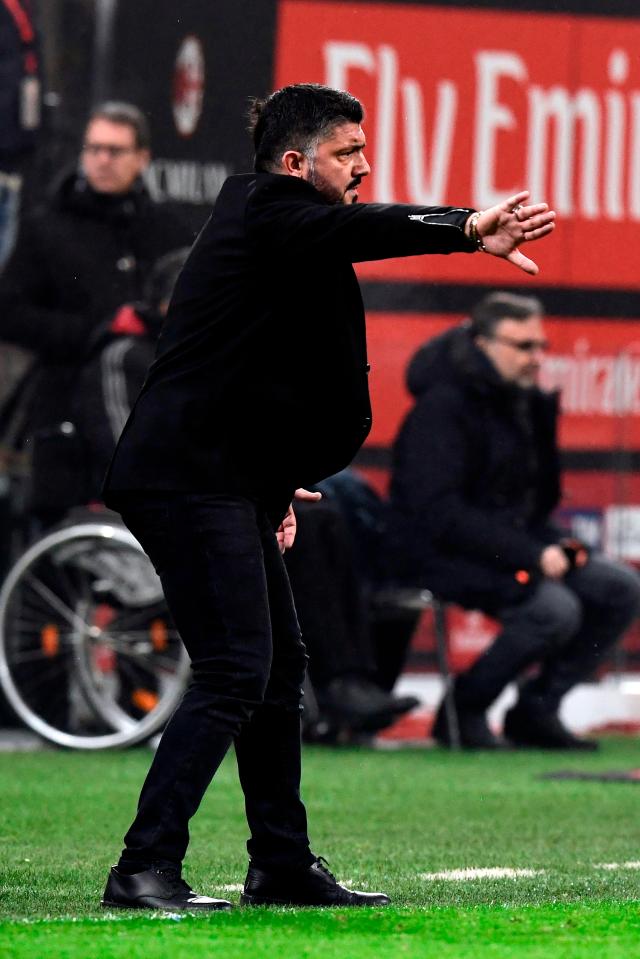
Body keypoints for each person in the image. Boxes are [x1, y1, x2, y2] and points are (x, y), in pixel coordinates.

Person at [100, 83, 556, 911]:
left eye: (363, 149)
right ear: (294, 161)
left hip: (225, 476)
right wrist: (463, 226)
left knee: (278, 669)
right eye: (349, 152)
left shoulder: (286, 243)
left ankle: (279, 862)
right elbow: (359, 227)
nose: (365, 165)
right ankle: (143, 865)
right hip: (184, 476)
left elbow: (252, 377)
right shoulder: (266, 210)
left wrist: (272, 481)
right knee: (238, 666)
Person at [390, 291, 640, 751]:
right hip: (439, 554)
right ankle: (463, 709)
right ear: (483, 343)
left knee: (618, 588)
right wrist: (531, 553)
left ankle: (537, 710)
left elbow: (531, 504)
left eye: (541, 346)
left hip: (511, 547)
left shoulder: (526, 404)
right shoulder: (442, 409)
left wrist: (555, 544)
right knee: (554, 610)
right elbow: (437, 513)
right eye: (523, 346)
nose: (537, 358)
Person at [0, 100, 192, 527]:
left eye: (115, 150)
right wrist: (94, 332)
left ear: (142, 159)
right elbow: (9, 312)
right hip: (66, 401)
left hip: (152, 395)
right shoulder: (46, 228)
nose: (102, 161)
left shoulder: (169, 230)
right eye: (94, 149)